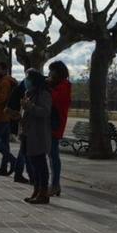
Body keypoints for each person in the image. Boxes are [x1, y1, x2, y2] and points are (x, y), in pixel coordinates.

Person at [20, 69, 53, 204]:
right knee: (33, 163)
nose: (26, 81)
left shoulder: (43, 94)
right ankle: (36, 189)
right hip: (27, 133)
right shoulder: (29, 93)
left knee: (40, 164)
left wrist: (30, 107)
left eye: (28, 78)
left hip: (38, 134)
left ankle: (43, 193)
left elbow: (45, 112)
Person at [47, 61, 72, 197]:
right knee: (51, 155)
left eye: (52, 71)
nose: (50, 74)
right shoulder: (58, 85)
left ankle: (55, 184)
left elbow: (55, 100)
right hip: (51, 124)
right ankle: (54, 184)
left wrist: (48, 87)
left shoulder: (64, 86)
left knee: (54, 156)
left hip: (55, 125)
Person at [6, 71, 29, 184]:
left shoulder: (20, 89)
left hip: (22, 124)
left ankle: (18, 172)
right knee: (26, 151)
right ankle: (22, 173)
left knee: (24, 150)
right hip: (26, 125)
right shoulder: (25, 91)